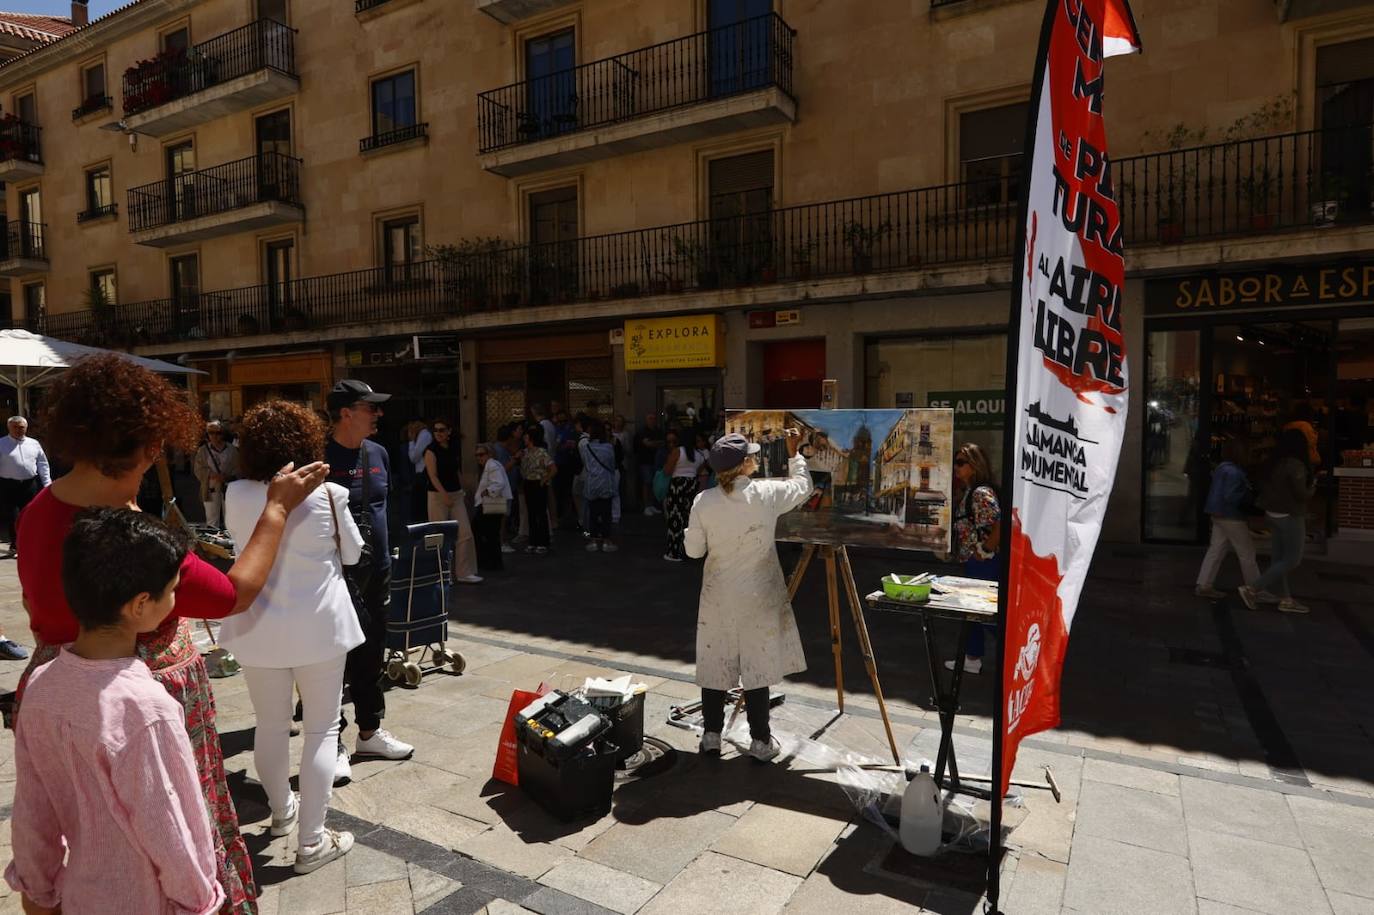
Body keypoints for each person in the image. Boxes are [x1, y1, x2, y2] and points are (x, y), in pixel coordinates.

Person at [14, 354, 328, 915]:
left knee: (83, 815)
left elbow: (34, 814)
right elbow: (232, 594)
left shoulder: (37, 511)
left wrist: (38, 897)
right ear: (141, 447)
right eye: (148, 455)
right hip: (145, 688)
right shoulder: (131, 543)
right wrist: (277, 509)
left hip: (58, 680)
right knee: (174, 815)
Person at [6, 509, 224, 915]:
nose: (176, 601)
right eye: (172, 590)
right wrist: (199, 902)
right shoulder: (146, 709)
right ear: (140, 604)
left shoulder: (41, 685)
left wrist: (37, 890)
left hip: (80, 898)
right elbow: (173, 832)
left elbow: (32, 812)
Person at [223, 401, 364, 874]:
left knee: (270, 724)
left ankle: (282, 813)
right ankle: (312, 841)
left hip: (258, 626)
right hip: (320, 626)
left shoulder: (237, 493)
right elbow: (355, 555)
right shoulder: (330, 494)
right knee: (322, 729)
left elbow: (238, 543)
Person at [685, 431, 811, 762]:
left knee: (715, 661)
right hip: (758, 594)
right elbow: (803, 487)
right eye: (752, 456)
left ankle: (711, 735)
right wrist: (795, 454)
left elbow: (694, 551)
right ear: (745, 465)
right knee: (756, 665)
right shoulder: (766, 494)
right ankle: (760, 741)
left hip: (719, 595)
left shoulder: (704, 501)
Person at [324, 379, 415, 785]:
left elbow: (384, 506)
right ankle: (333, 744)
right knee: (332, 660)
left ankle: (370, 731)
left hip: (376, 570)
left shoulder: (378, 452)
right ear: (346, 413)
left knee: (372, 649)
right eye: (370, 407)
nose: (378, 414)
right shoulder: (316, 457)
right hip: (332, 575)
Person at [1241, 427, 1316, 614]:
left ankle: (1286, 599)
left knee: (1279, 560)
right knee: (1292, 559)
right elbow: (1301, 494)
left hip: (1271, 514)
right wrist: (1313, 486)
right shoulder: (1295, 465)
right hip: (1289, 516)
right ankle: (1252, 589)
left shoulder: (1273, 462)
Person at [946, 443, 1001, 675]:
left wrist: (983, 551)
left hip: (983, 563)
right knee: (972, 611)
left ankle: (1017, 652)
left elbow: (999, 524)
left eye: (961, 462)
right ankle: (972, 657)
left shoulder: (980, 493)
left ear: (974, 465)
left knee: (985, 612)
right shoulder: (971, 491)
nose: (956, 467)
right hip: (974, 560)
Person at [1195, 439, 1261, 600]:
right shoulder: (1235, 472)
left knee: (1216, 550)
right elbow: (1231, 496)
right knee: (1247, 553)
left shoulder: (1221, 468)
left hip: (1217, 514)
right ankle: (1255, 589)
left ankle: (1204, 584)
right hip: (1231, 516)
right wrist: (1247, 493)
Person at [424, 420, 481, 584]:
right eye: (435, 430)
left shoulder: (453, 448)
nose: (438, 433)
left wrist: (463, 489)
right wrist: (444, 495)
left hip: (456, 494)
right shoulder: (430, 451)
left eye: (442, 430)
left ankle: (464, 572)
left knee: (465, 532)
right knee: (439, 535)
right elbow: (432, 475)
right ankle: (441, 574)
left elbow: (456, 470)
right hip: (437, 496)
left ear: (449, 431)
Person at [0, 415, 50, 558]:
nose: (18, 430)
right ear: (9, 427)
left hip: (29, 484)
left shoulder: (34, 443)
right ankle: (15, 546)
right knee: (14, 516)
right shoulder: (1, 444)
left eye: (21, 427)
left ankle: (27, 544)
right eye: (15, 427)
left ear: (26, 428)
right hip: (8, 485)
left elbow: (42, 464)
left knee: (29, 515)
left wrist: (47, 483)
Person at [663, 430, 706, 562]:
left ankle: (674, 552)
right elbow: (699, 470)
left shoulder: (678, 451)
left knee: (675, 519)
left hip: (678, 485)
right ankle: (690, 551)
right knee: (689, 518)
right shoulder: (700, 455)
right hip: (692, 485)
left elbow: (667, 470)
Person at [579, 420, 619, 553]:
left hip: (592, 484)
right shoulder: (608, 447)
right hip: (606, 483)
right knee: (606, 513)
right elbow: (612, 465)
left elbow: (586, 464)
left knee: (593, 514)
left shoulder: (586, 447)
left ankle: (593, 541)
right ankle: (607, 541)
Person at [473, 442, 512, 571]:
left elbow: (499, 482)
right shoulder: (492, 465)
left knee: (484, 533)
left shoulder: (492, 464)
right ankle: (493, 563)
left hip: (489, 504)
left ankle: (488, 563)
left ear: (489, 454)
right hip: (492, 504)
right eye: (477, 455)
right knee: (491, 535)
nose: (479, 458)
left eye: (481, 454)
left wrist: (488, 491)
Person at [194, 421, 239, 529]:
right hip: (210, 488)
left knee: (230, 518)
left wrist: (227, 477)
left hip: (228, 488)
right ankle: (212, 544)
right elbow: (198, 469)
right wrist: (212, 475)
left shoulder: (232, 450)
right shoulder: (203, 451)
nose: (214, 436)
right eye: (210, 432)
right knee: (212, 520)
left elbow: (239, 468)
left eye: (217, 433)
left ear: (223, 434)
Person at [521, 425, 555, 554]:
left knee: (540, 513)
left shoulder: (541, 452)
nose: (524, 438)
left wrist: (544, 479)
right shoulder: (525, 452)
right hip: (528, 483)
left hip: (538, 484)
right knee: (531, 513)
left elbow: (553, 469)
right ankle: (533, 541)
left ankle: (543, 542)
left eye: (526, 436)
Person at [635, 413, 665, 515]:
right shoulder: (642, 431)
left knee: (654, 484)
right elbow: (647, 444)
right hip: (645, 461)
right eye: (650, 418)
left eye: (654, 418)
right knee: (646, 483)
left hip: (657, 461)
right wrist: (656, 443)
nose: (652, 420)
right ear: (646, 420)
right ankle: (646, 506)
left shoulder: (659, 431)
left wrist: (653, 443)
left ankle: (652, 505)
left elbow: (663, 442)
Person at [406, 419, 434, 525]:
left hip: (423, 474)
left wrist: (412, 441)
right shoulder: (423, 435)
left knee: (420, 506)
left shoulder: (424, 435)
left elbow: (414, 457)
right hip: (420, 474)